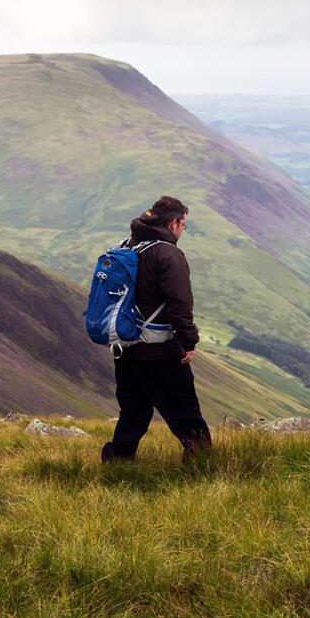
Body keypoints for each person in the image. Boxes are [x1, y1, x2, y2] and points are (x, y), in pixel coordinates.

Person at [101, 196, 212, 463]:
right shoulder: (168, 254)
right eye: (184, 225)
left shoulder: (127, 246)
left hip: (126, 349)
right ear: (173, 223)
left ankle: (117, 463)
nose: (183, 231)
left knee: (133, 412)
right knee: (186, 414)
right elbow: (179, 304)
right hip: (160, 352)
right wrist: (188, 342)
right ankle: (203, 466)